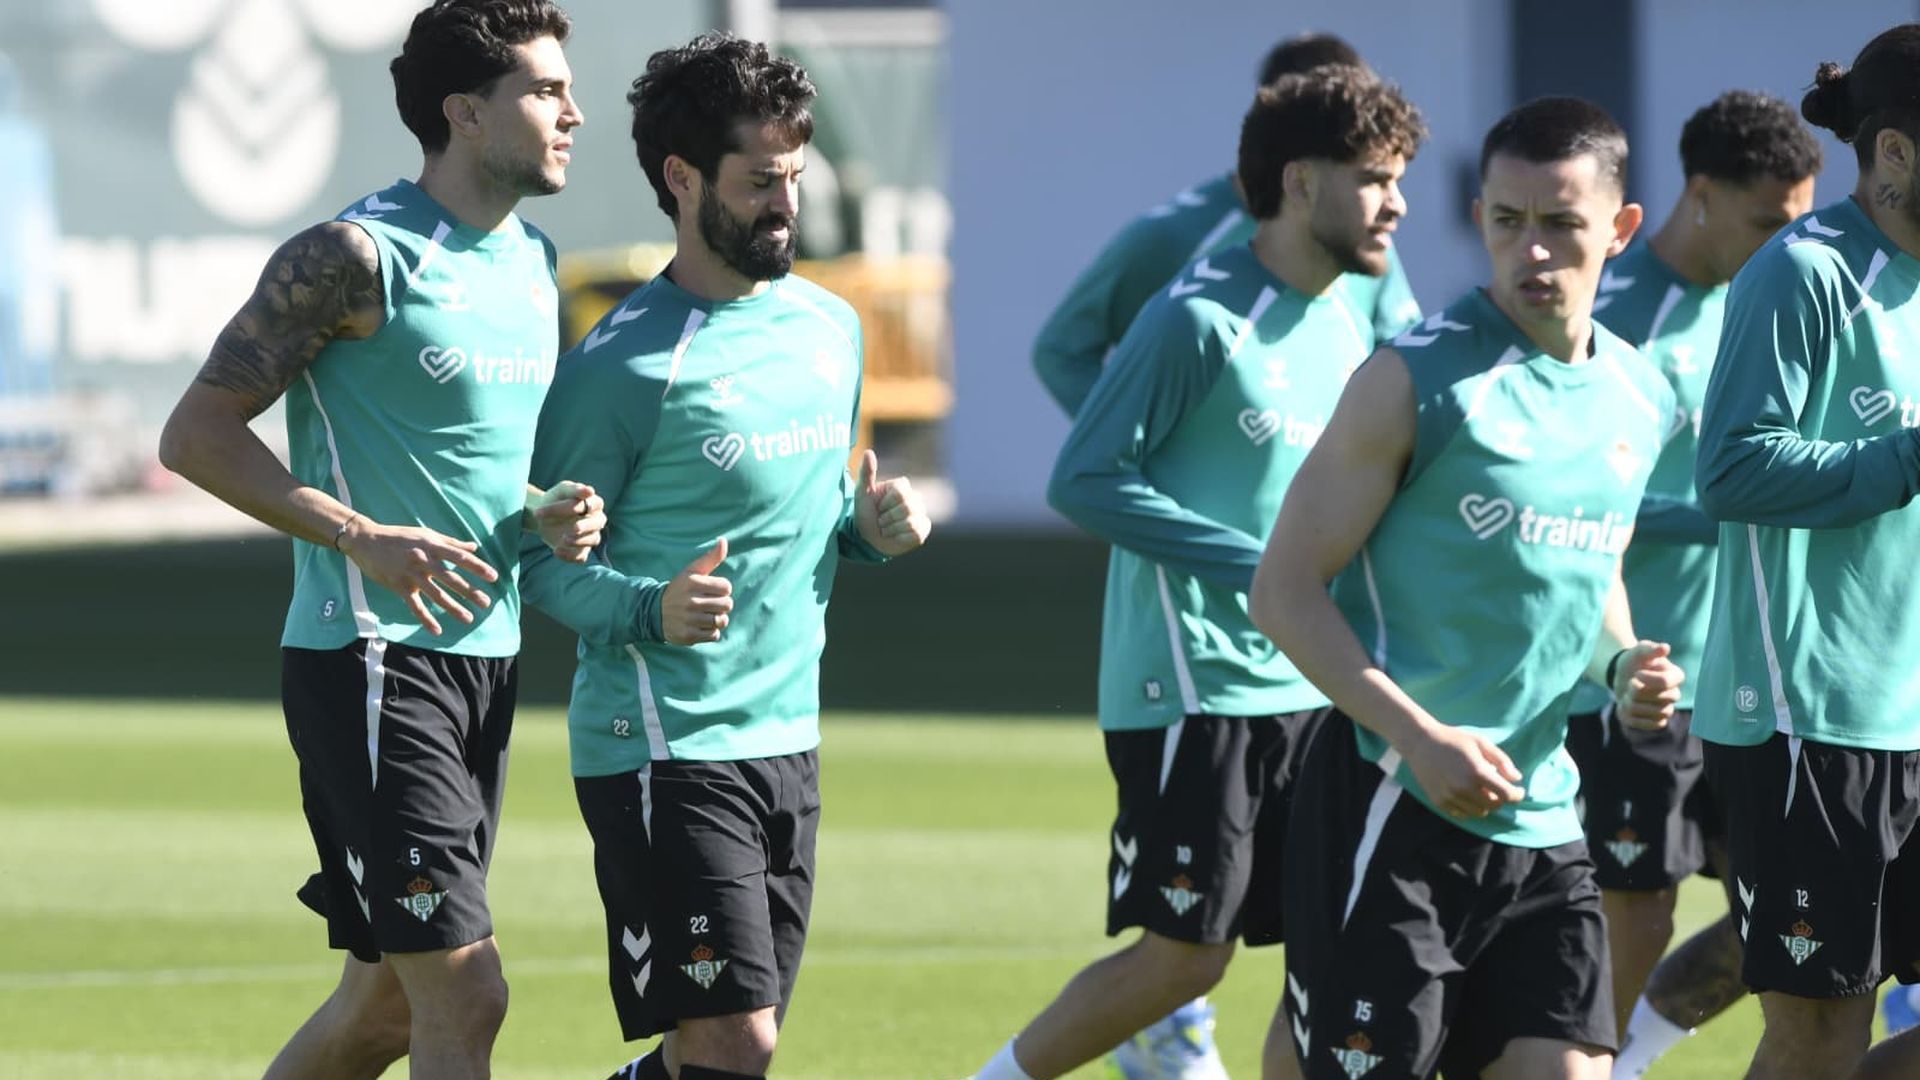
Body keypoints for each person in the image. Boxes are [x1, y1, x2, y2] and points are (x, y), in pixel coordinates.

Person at [155, 2, 599, 1077]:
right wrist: (357, 535)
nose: (573, 113)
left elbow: (462, 465)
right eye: (545, 90)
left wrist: (540, 508)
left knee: (385, 1009)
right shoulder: (353, 255)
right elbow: (194, 434)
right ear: (465, 113)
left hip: (486, 663)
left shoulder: (534, 262)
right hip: (372, 662)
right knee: (466, 990)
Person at [970, 65, 1427, 1080]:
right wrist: (1266, 571)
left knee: (1334, 956)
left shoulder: (1353, 315)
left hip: (1317, 682)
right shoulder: (1199, 315)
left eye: (1399, 179)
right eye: (1374, 178)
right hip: (1197, 687)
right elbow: (1085, 478)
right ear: (1300, 182)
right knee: (1185, 960)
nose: (1397, 203)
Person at [518, 32, 931, 1080]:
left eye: (794, 177)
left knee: (722, 1055)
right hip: (663, 745)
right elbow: (542, 562)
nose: (786, 205)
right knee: (733, 1040)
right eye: (759, 182)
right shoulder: (619, 366)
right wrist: (647, 608)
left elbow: (816, 520)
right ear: (683, 178)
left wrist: (870, 533)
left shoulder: (831, 330)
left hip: (790, 738)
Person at [1249, 96, 1685, 1080]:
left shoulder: (1639, 395)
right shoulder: (1414, 381)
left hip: (1542, 810)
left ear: (1620, 228)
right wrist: (1419, 737)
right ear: (1480, 215)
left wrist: (1622, 664)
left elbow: (1589, 567)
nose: (1533, 251)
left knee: (1571, 1071)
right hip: (1392, 801)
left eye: (1562, 223)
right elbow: (1283, 591)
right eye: (1508, 220)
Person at [1559, 90, 1820, 1078]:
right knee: (1637, 911)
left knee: (1789, 914)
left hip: (1757, 680)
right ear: (1700, 195)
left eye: (1799, 221)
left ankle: (1626, 1059)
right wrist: (1734, 507)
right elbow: (1570, 502)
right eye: (1767, 220)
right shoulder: (1615, 314)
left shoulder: (1778, 300)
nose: (1786, 243)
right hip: (1639, 671)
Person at [1691, 24, 1920, 1080]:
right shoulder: (1804, 271)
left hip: (1912, 704)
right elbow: (1732, 469)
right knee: (1821, 1033)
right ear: (1895, 152)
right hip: (1809, 719)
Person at [1031, 32, 1422, 424]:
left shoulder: (1364, 240)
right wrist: (1142, 441)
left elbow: (1409, 370)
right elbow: (1061, 351)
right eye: (1352, 132)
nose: (1394, 204)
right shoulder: (1176, 236)